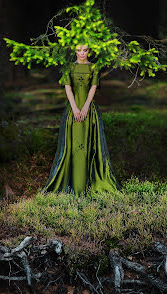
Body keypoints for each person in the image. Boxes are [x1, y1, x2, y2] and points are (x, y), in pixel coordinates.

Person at [41, 44, 121, 196]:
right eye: (79, 50)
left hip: (89, 113)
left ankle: (87, 185)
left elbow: (92, 88)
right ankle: (74, 186)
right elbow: (68, 89)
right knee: (73, 148)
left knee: (88, 148)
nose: (82, 53)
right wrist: (75, 109)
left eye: (85, 50)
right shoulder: (69, 67)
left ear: (89, 51)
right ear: (74, 51)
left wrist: (84, 108)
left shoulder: (94, 68)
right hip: (73, 112)